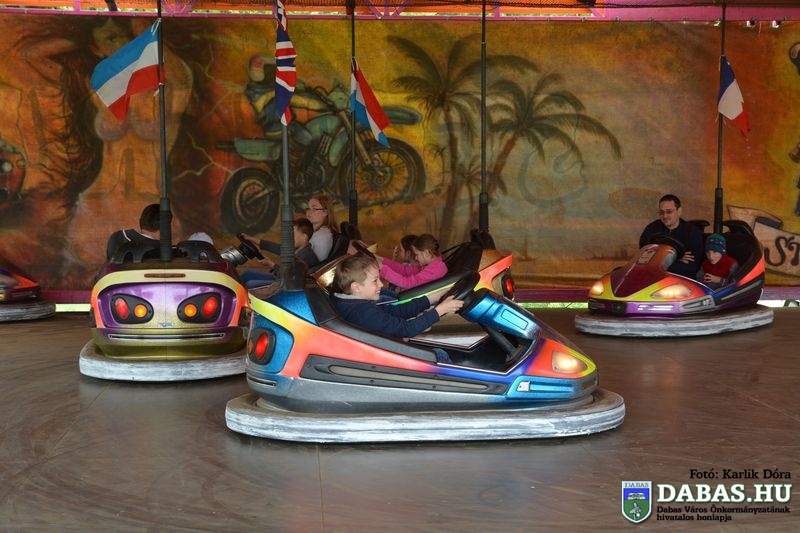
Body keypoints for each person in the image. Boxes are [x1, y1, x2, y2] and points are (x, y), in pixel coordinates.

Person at [330, 255, 463, 363]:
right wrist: (440, 310)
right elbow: (406, 329)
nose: (381, 285)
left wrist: (433, 297)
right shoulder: (362, 312)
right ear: (356, 287)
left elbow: (396, 312)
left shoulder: (349, 303)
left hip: (383, 348)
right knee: (439, 355)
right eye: (375, 281)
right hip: (383, 359)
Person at [239, 218, 317, 289]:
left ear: (304, 237)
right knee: (247, 274)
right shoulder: (296, 250)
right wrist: (250, 238)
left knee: (250, 284)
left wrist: (271, 264)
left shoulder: (306, 257)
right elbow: (272, 247)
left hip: (285, 285)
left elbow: (290, 277)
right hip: (280, 278)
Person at [639, 194, 704, 278]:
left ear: (679, 211)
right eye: (661, 212)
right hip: (651, 276)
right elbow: (644, 257)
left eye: (669, 212)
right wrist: (677, 258)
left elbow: (691, 266)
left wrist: (660, 260)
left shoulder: (692, 233)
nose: (665, 216)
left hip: (679, 280)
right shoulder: (651, 228)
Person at [375, 234, 447, 291]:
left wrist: (382, 268)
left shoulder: (435, 270)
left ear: (426, 253)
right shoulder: (432, 266)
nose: (416, 258)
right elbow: (405, 270)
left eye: (417, 254)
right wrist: (382, 260)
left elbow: (408, 283)